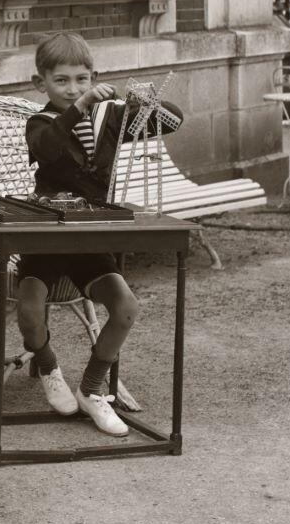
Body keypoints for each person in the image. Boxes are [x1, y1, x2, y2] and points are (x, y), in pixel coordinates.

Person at [18, 32, 183, 435]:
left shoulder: (110, 119)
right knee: (28, 311)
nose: (73, 88)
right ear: (41, 83)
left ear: (94, 76)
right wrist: (80, 105)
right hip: (46, 235)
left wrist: (145, 102)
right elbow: (48, 149)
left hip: (90, 235)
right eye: (61, 81)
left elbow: (174, 120)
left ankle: (91, 389)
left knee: (126, 307)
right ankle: (46, 365)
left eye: (82, 79)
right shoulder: (40, 123)